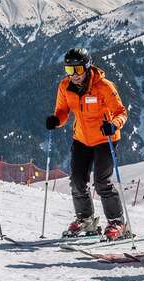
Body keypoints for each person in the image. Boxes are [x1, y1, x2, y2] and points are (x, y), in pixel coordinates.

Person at [46, 48, 131, 240]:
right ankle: (86, 220)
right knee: (77, 181)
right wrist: (56, 120)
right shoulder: (65, 86)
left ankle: (117, 222)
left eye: (77, 70)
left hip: (105, 138)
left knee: (102, 182)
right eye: (69, 70)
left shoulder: (104, 86)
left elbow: (121, 112)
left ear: (87, 67)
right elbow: (62, 111)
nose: (73, 75)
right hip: (81, 139)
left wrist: (114, 125)